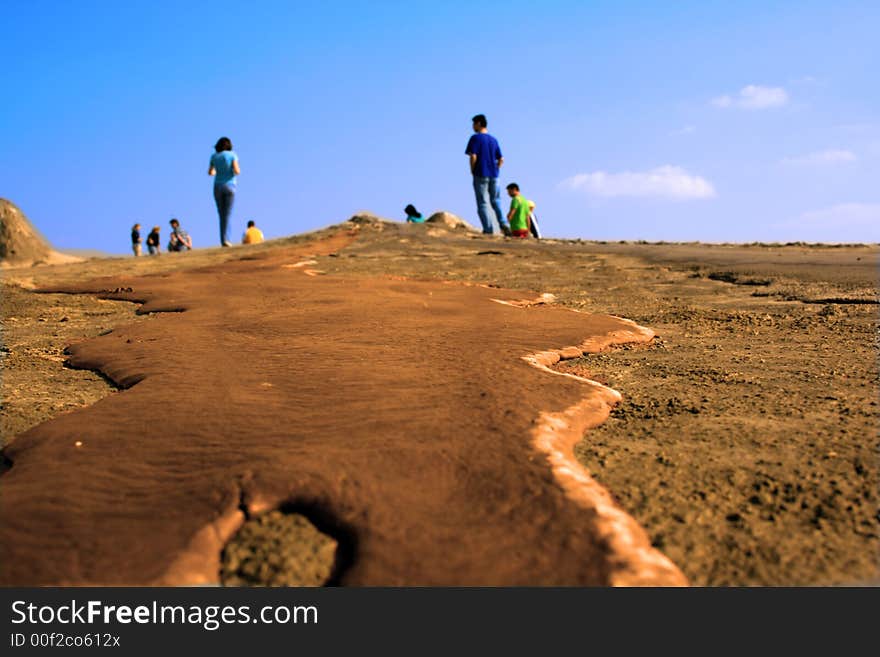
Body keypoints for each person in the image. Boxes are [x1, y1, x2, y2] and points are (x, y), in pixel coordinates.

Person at [465, 114, 511, 236]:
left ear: (479, 123)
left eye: (474, 124)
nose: (473, 127)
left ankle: (488, 229)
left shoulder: (475, 138)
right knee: (496, 201)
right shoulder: (494, 140)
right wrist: (496, 169)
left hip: (480, 172)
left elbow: (473, 156)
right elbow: (501, 159)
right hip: (494, 175)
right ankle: (504, 224)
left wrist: (472, 170)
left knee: (482, 202)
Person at [208, 136, 240, 247]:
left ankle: (223, 240)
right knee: (228, 214)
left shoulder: (214, 156)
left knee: (221, 214)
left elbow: (210, 173)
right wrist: (229, 171)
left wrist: (219, 171)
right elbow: (237, 171)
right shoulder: (232, 155)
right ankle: (226, 240)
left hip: (217, 187)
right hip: (230, 185)